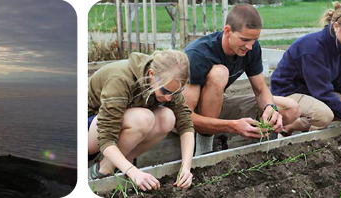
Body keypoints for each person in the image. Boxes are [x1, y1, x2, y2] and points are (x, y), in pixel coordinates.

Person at [183, 4, 300, 152]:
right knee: (220, 73)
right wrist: (233, 125)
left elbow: (260, 90)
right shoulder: (197, 55)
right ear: (227, 31)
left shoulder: (251, 47)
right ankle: (205, 148)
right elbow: (185, 116)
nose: (250, 46)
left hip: (216, 103)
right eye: (244, 40)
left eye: (254, 40)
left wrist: (270, 109)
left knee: (291, 108)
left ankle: (244, 151)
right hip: (184, 113)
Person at [87, 50, 195, 190]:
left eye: (176, 93)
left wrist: (186, 167)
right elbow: (106, 137)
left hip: (105, 132)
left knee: (167, 118)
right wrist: (133, 172)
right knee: (143, 118)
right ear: (151, 74)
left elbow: (185, 123)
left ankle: (118, 166)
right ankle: (102, 171)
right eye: (165, 91)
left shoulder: (168, 84)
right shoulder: (120, 79)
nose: (169, 98)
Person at [271, 2, 341, 140]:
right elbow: (323, 93)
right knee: (323, 115)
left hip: (315, 93)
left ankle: (299, 125)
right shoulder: (312, 49)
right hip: (290, 93)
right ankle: (294, 129)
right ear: (336, 26)